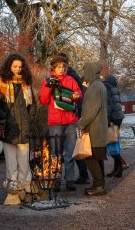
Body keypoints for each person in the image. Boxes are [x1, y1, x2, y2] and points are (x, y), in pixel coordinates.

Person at [0, 53, 36, 205]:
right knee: (11, 163)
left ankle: (26, 191)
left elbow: (33, 104)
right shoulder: (0, 81)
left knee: (24, 162)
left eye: (20, 67)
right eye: (15, 66)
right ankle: (12, 194)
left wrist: (29, 119)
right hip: (8, 125)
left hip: (24, 124)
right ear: (9, 66)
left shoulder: (26, 82)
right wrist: (3, 117)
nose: (18, 69)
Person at [39, 55, 82, 191]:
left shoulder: (71, 80)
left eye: (64, 66)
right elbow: (43, 100)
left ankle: (69, 180)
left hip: (70, 120)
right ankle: (56, 180)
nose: (62, 69)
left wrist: (77, 96)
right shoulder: (48, 81)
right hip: (55, 121)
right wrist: (48, 87)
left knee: (69, 152)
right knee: (56, 152)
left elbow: (79, 95)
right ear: (53, 68)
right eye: (59, 67)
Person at [57, 52, 90, 185]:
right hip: (75, 113)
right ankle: (83, 175)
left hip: (68, 114)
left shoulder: (69, 77)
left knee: (67, 148)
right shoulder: (75, 75)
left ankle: (78, 175)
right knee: (74, 147)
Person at [77, 62, 108, 196]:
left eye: (85, 71)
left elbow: (90, 111)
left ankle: (99, 186)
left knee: (90, 157)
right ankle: (98, 184)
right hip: (99, 128)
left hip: (94, 128)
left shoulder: (95, 87)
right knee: (97, 157)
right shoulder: (99, 85)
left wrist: (81, 124)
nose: (84, 74)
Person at [102, 73, 128, 178]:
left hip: (112, 118)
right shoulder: (114, 87)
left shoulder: (106, 87)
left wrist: (107, 119)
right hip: (119, 117)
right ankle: (117, 170)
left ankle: (121, 162)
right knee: (114, 142)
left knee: (110, 142)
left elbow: (109, 105)